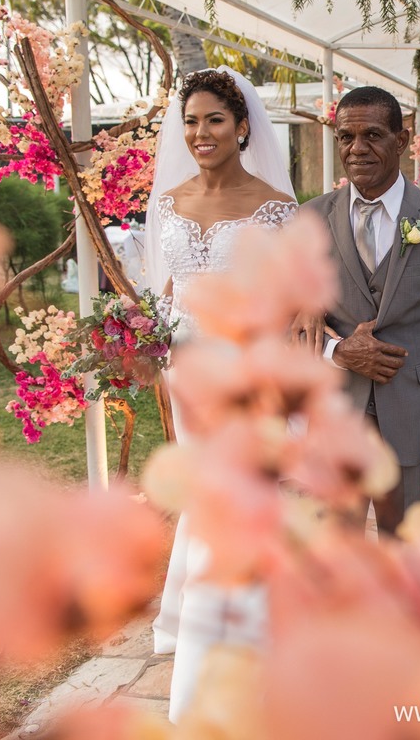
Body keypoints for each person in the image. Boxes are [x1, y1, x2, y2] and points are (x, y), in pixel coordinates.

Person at [144, 66, 297, 722]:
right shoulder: (167, 202)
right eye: (191, 121)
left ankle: (231, 646)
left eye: (213, 120)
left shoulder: (275, 207)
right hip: (185, 368)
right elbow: (162, 296)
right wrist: (141, 350)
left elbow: (289, 305)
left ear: (241, 127)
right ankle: (211, 633)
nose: (200, 132)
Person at [301, 86, 420, 536]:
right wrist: (338, 351)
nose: (357, 149)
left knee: (405, 553)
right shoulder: (308, 221)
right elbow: (288, 321)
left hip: (416, 423)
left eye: (372, 135)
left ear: (401, 141)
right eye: (345, 137)